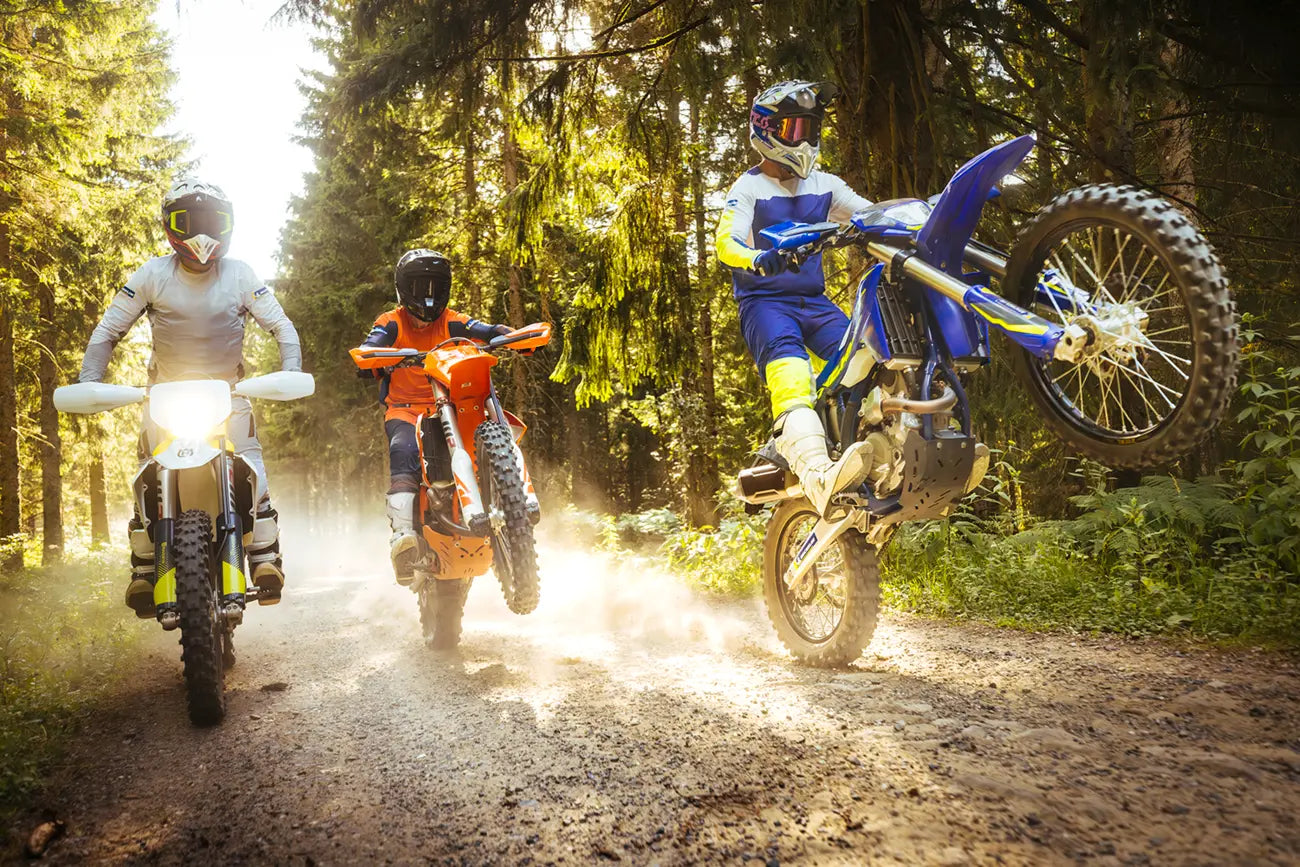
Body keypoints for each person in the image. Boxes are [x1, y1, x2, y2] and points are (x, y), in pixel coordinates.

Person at [78, 179, 301, 614]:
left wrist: (291, 373)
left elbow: (281, 326)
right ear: (170, 226)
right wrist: (90, 381)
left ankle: (264, 557)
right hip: (164, 396)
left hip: (229, 393)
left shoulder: (240, 274)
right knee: (147, 470)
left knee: (253, 466)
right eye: (188, 222)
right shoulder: (152, 274)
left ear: (228, 226)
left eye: (211, 222)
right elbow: (108, 331)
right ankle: (145, 566)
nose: (201, 234)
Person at [715, 80, 875, 516]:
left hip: (814, 302)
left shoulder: (824, 184)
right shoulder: (747, 188)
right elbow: (726, 242)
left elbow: (870, 213)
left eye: (810, 128)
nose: (804, 139)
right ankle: (817, 474)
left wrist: (925, 215)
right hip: (766, 303)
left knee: (868, 358)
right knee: (792, 376)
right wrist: (755, 258)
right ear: (767, 131)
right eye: (794, 129)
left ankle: (866, 452)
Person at [355, 249, 515, 583]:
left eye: (435, 286)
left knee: (488, 434)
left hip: (453, 408)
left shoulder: (453, 321)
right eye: (419, 285)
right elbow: (372, 345)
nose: (427, 295)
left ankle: (511, 512)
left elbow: (483, 329)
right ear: (404, 288)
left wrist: (508, 334)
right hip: (406, 410)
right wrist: (375, 357)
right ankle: (403, 537)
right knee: (404, 451)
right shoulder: (391, 322)